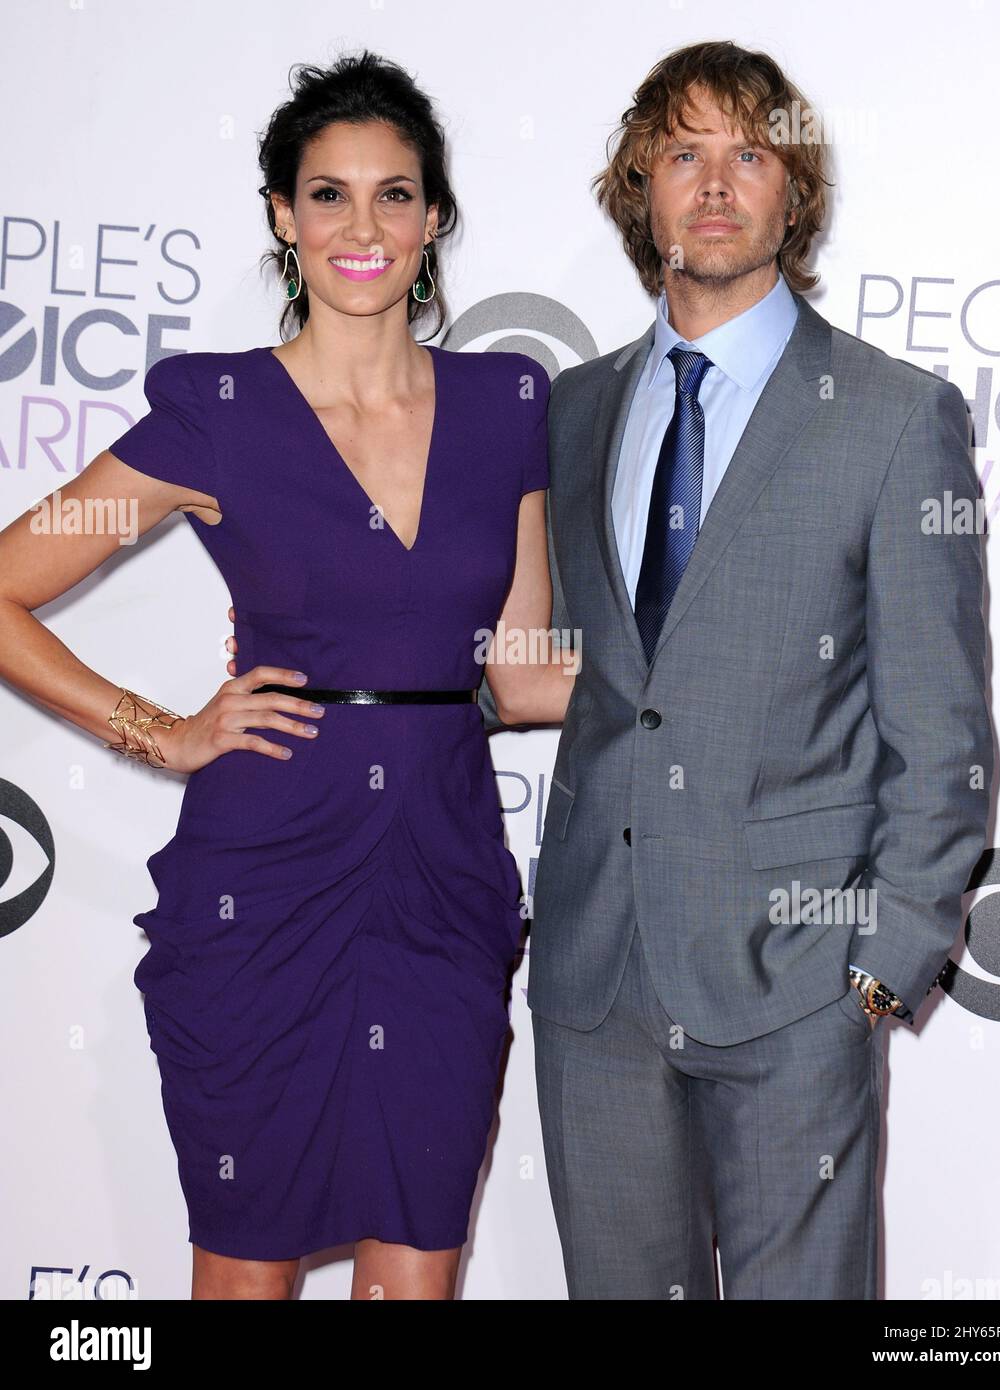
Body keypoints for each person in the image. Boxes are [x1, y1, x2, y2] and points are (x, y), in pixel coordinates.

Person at [0, 51, 573, 1300]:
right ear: (281, 215)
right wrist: (160, 729)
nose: (361, 226)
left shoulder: (505, 402)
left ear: (434, 217)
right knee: (246, 1267)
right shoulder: (219, 413)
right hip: (263, 882)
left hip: (443, 874)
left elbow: (524, 676)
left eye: (394, 194)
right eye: (327, 195)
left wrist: (730, 678)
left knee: (415, 1266)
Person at [477, 40, 993, 1299]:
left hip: (798, 983)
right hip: (595, 977)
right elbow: (547, 661)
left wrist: (876, 973)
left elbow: (942, 732)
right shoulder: (574, 408)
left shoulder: (890, 416)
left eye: (749, 154)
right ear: (638, 189)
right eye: (682, 154)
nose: (714, 185)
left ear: (792, 193)